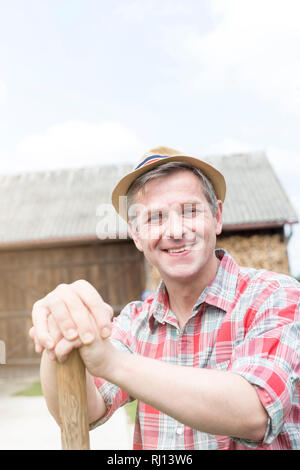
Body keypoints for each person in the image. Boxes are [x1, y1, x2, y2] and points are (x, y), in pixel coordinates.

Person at [30, 146, 300, 450]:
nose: (174, 231)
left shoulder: (274, 295)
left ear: (218, 217)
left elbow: (256, 413)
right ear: (136, 234)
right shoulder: (134, 322)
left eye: (190, 211)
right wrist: (57, 335)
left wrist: (115, 363)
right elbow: (87, 410)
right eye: (155, 218)